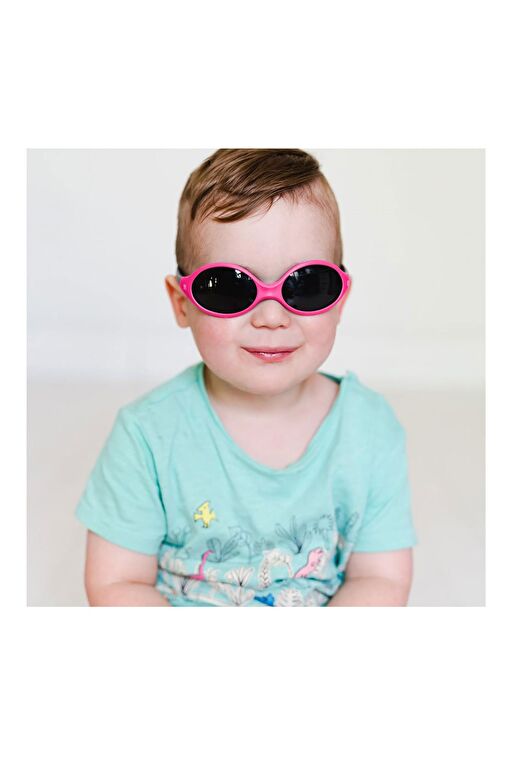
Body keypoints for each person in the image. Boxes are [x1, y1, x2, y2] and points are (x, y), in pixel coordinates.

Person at [75, 148, 418, 607]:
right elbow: (116, 583)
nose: (272, 317)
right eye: (230, 288)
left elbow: (381, 579)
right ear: (182, 303)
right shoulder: (147, 436)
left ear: (340, 299)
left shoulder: (370, 431)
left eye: (306, 284)